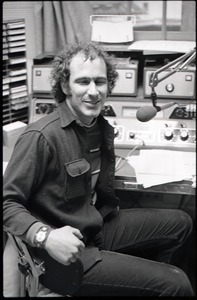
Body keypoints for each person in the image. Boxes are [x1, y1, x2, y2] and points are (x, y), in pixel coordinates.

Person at [3, 42, 194, 297]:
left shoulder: (98, 126)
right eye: (83, 82)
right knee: (176, 282)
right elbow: (7, 202)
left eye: (100, 82)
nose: (93, 91)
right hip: (61, 256)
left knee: (181, 223)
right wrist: (46, 237)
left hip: (93, 227)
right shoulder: (41, 136)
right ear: (64, 86)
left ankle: (149, 283)